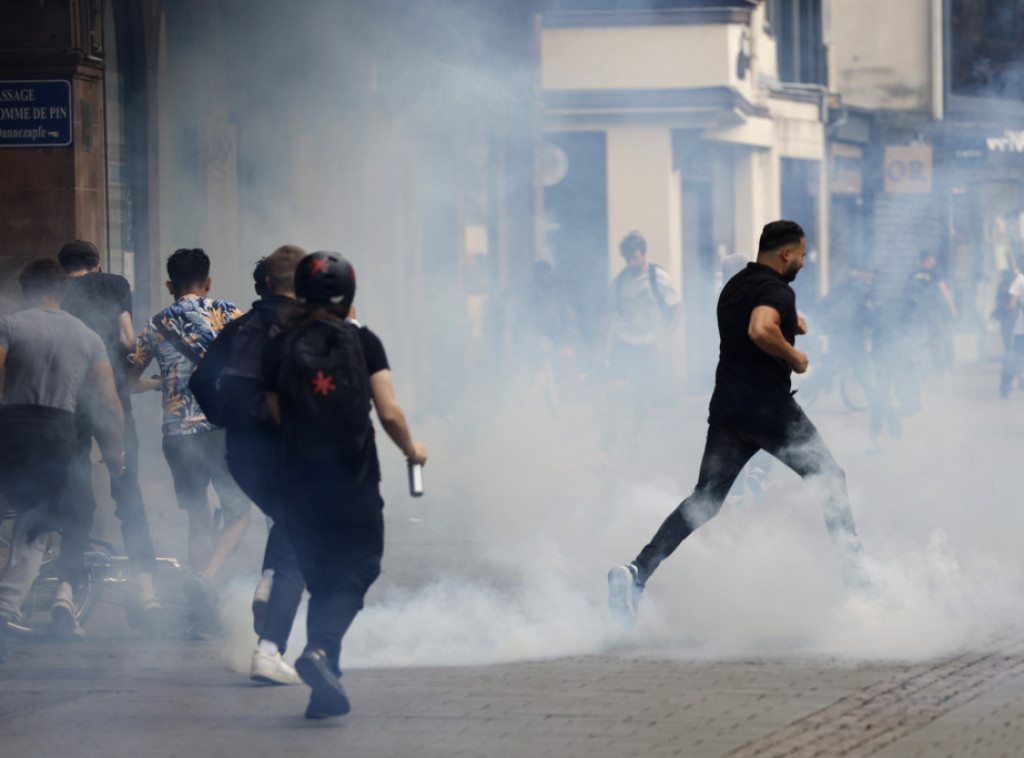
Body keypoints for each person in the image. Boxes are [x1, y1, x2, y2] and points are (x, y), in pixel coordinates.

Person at [607, 221, 867, 627]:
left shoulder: (736, 286)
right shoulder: (777, 290)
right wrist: (795, 357)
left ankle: (636, 572)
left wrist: (789, 321)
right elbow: (760, 328)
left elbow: (757, 315)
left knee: (705, 500)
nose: (802, 261)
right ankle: (860, 586)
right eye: (800, 254)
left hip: (728, 409)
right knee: (831, 480)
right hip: (769, 410)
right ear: (786, 253)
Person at [263, 251, 427, 719]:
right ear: (348, 294)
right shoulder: (364, 341)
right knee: (358, 569)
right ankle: (319, 653)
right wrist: (412, 451)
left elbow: (277, 414)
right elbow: (389, 411)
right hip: (353, 480)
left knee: (320, 580)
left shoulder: (280, 343)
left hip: (297, 482)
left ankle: (322, 692)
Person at [190, 246, 307, 685]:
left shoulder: (240, 327)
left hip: (242, 454)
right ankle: (269, 651)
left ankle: (268, 583)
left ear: (270, 284)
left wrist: (227, 417)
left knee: (285, 520)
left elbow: (201, 379)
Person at [0, 260, 124, 661]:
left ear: (25, 288)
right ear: (63, 291)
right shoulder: (87, 336)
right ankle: (42, 603)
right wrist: (114, 450)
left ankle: (9, 609)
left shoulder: (10, 325)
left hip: (12, 429)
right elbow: (108, 401)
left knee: (27, 511)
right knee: (56, 516)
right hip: (58, 434)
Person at [128, 248, 251, 637]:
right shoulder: (231, 315)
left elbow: (128, 382)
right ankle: (208, 580)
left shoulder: (154, 325)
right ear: (208, 281)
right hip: (222, 429)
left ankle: (200, 614)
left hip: (178, 434)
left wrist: (160, 384)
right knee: (240, 512)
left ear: (170, 285)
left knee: (198, 518)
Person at [54, 240, 164, 639]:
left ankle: (65, 594)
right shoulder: (114, 283)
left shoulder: (56, 291)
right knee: (128, 495)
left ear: (63, 267)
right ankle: (147, 593)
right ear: (97, 263)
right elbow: (128, 341)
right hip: (112, 399)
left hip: (67, 404)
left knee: (76, 496)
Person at [604, 231, 680, 444]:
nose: (632, 262)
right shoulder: (619, 281)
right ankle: (612, 430)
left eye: (635, 258)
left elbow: (677, 309)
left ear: (644, 254)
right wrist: (602, 347)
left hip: (648, 343)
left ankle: (635, 434)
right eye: (628, 259)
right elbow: (609, 314)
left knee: (642, 392)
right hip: (623, 340)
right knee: (614, 387)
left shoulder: (658, 278)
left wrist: (664, 340)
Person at [903, 250, 956, 376]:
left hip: (916, 313)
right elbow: (944, 289)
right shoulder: (935, 274)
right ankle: (939, 370)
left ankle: (918, 369)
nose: (935, 261)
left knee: (915, 339)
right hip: (931, 312)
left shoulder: (913, 274)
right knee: (936, 340)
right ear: (928, 259)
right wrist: (952, 306)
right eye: (933, 258)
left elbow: (905, 293)